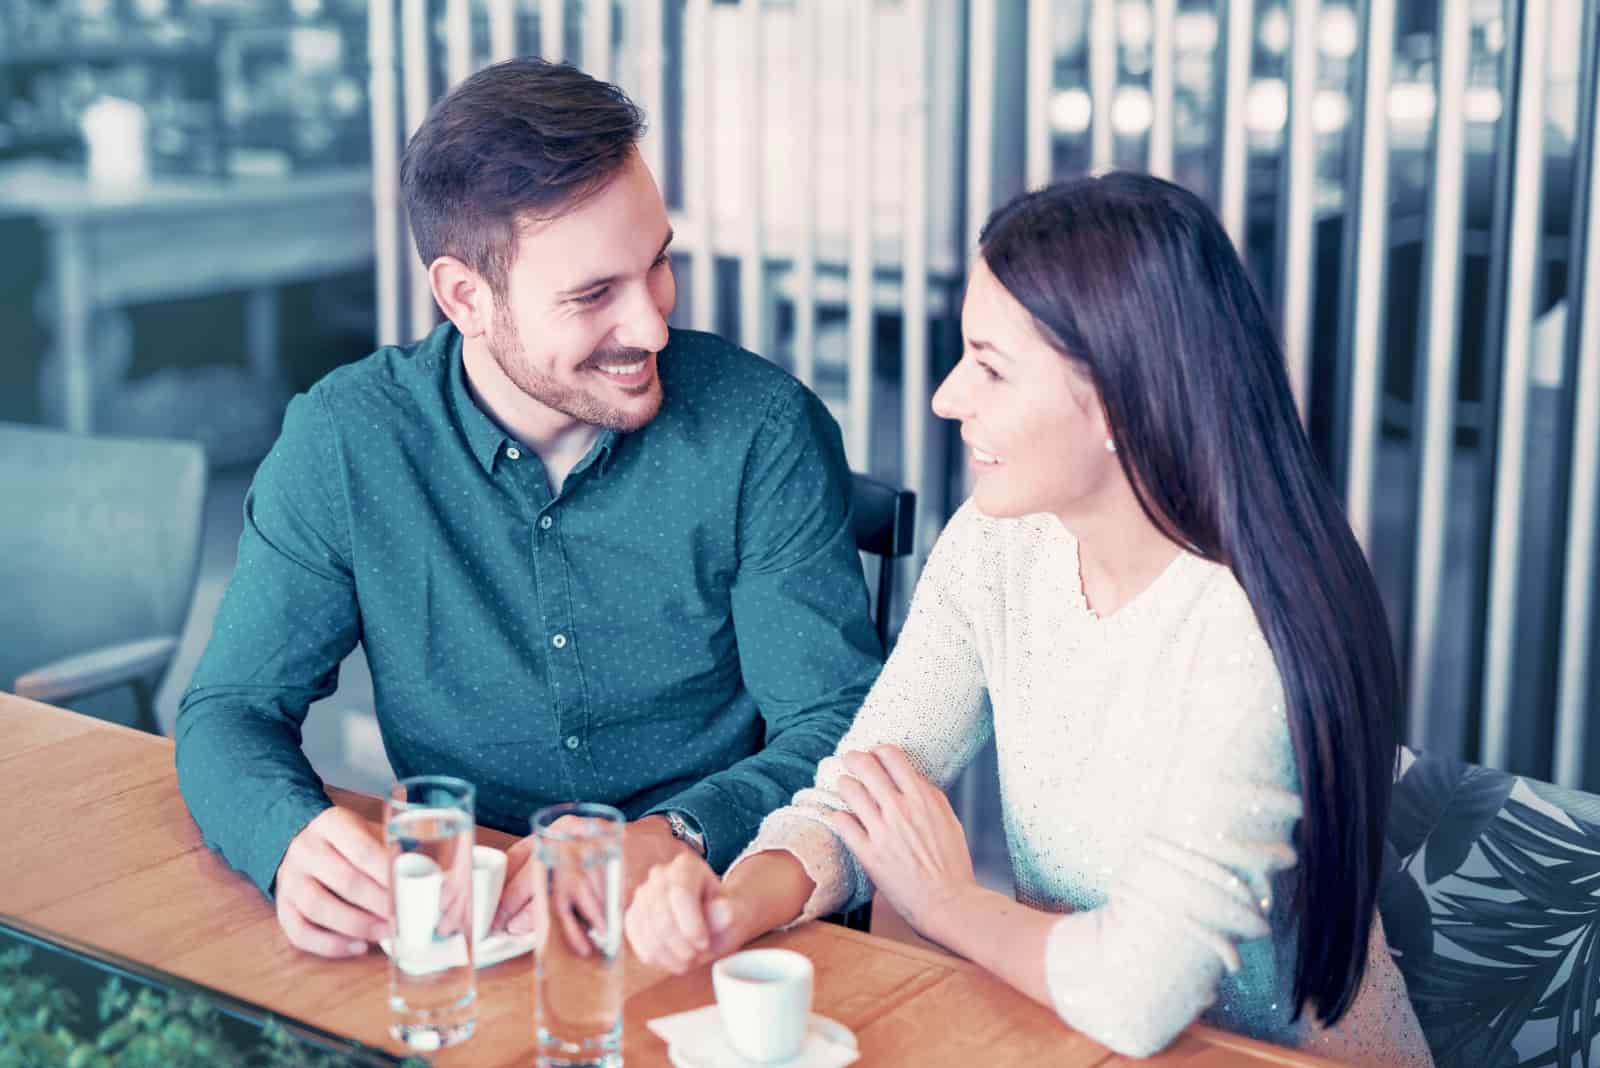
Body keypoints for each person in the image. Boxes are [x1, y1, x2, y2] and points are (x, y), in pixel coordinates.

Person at [623, 173, 1434, 1066]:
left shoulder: (1241, 624)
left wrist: (946, 905)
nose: (945, 397)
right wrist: (739, 901)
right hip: (1067, 1040)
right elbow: (867, 788)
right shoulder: (997, 545)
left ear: (1121, 400)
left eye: (991, 366)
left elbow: (1138, 994)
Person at [175, 58, 881, 960]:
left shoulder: (760, 430)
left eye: (657, 263)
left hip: (714, 924)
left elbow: (837, 727)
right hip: (473, 933)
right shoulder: (347, 442)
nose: (654, 325)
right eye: (594, 295)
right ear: (466, 295)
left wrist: (674, 837)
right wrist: (288, 843)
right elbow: (229, 707)